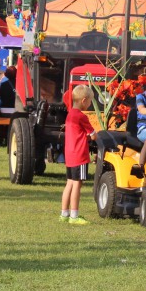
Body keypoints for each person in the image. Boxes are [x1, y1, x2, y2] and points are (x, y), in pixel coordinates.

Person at [60, 84, 96, 225]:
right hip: (80, 155)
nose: (89, 104)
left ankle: (64, 213)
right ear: (84, 100)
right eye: (90, 101)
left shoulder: (70, 115)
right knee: (77, 185)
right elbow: (93, 135)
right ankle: (74, 215)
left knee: (69, 183)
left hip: (70, 154)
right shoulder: (81, 116)